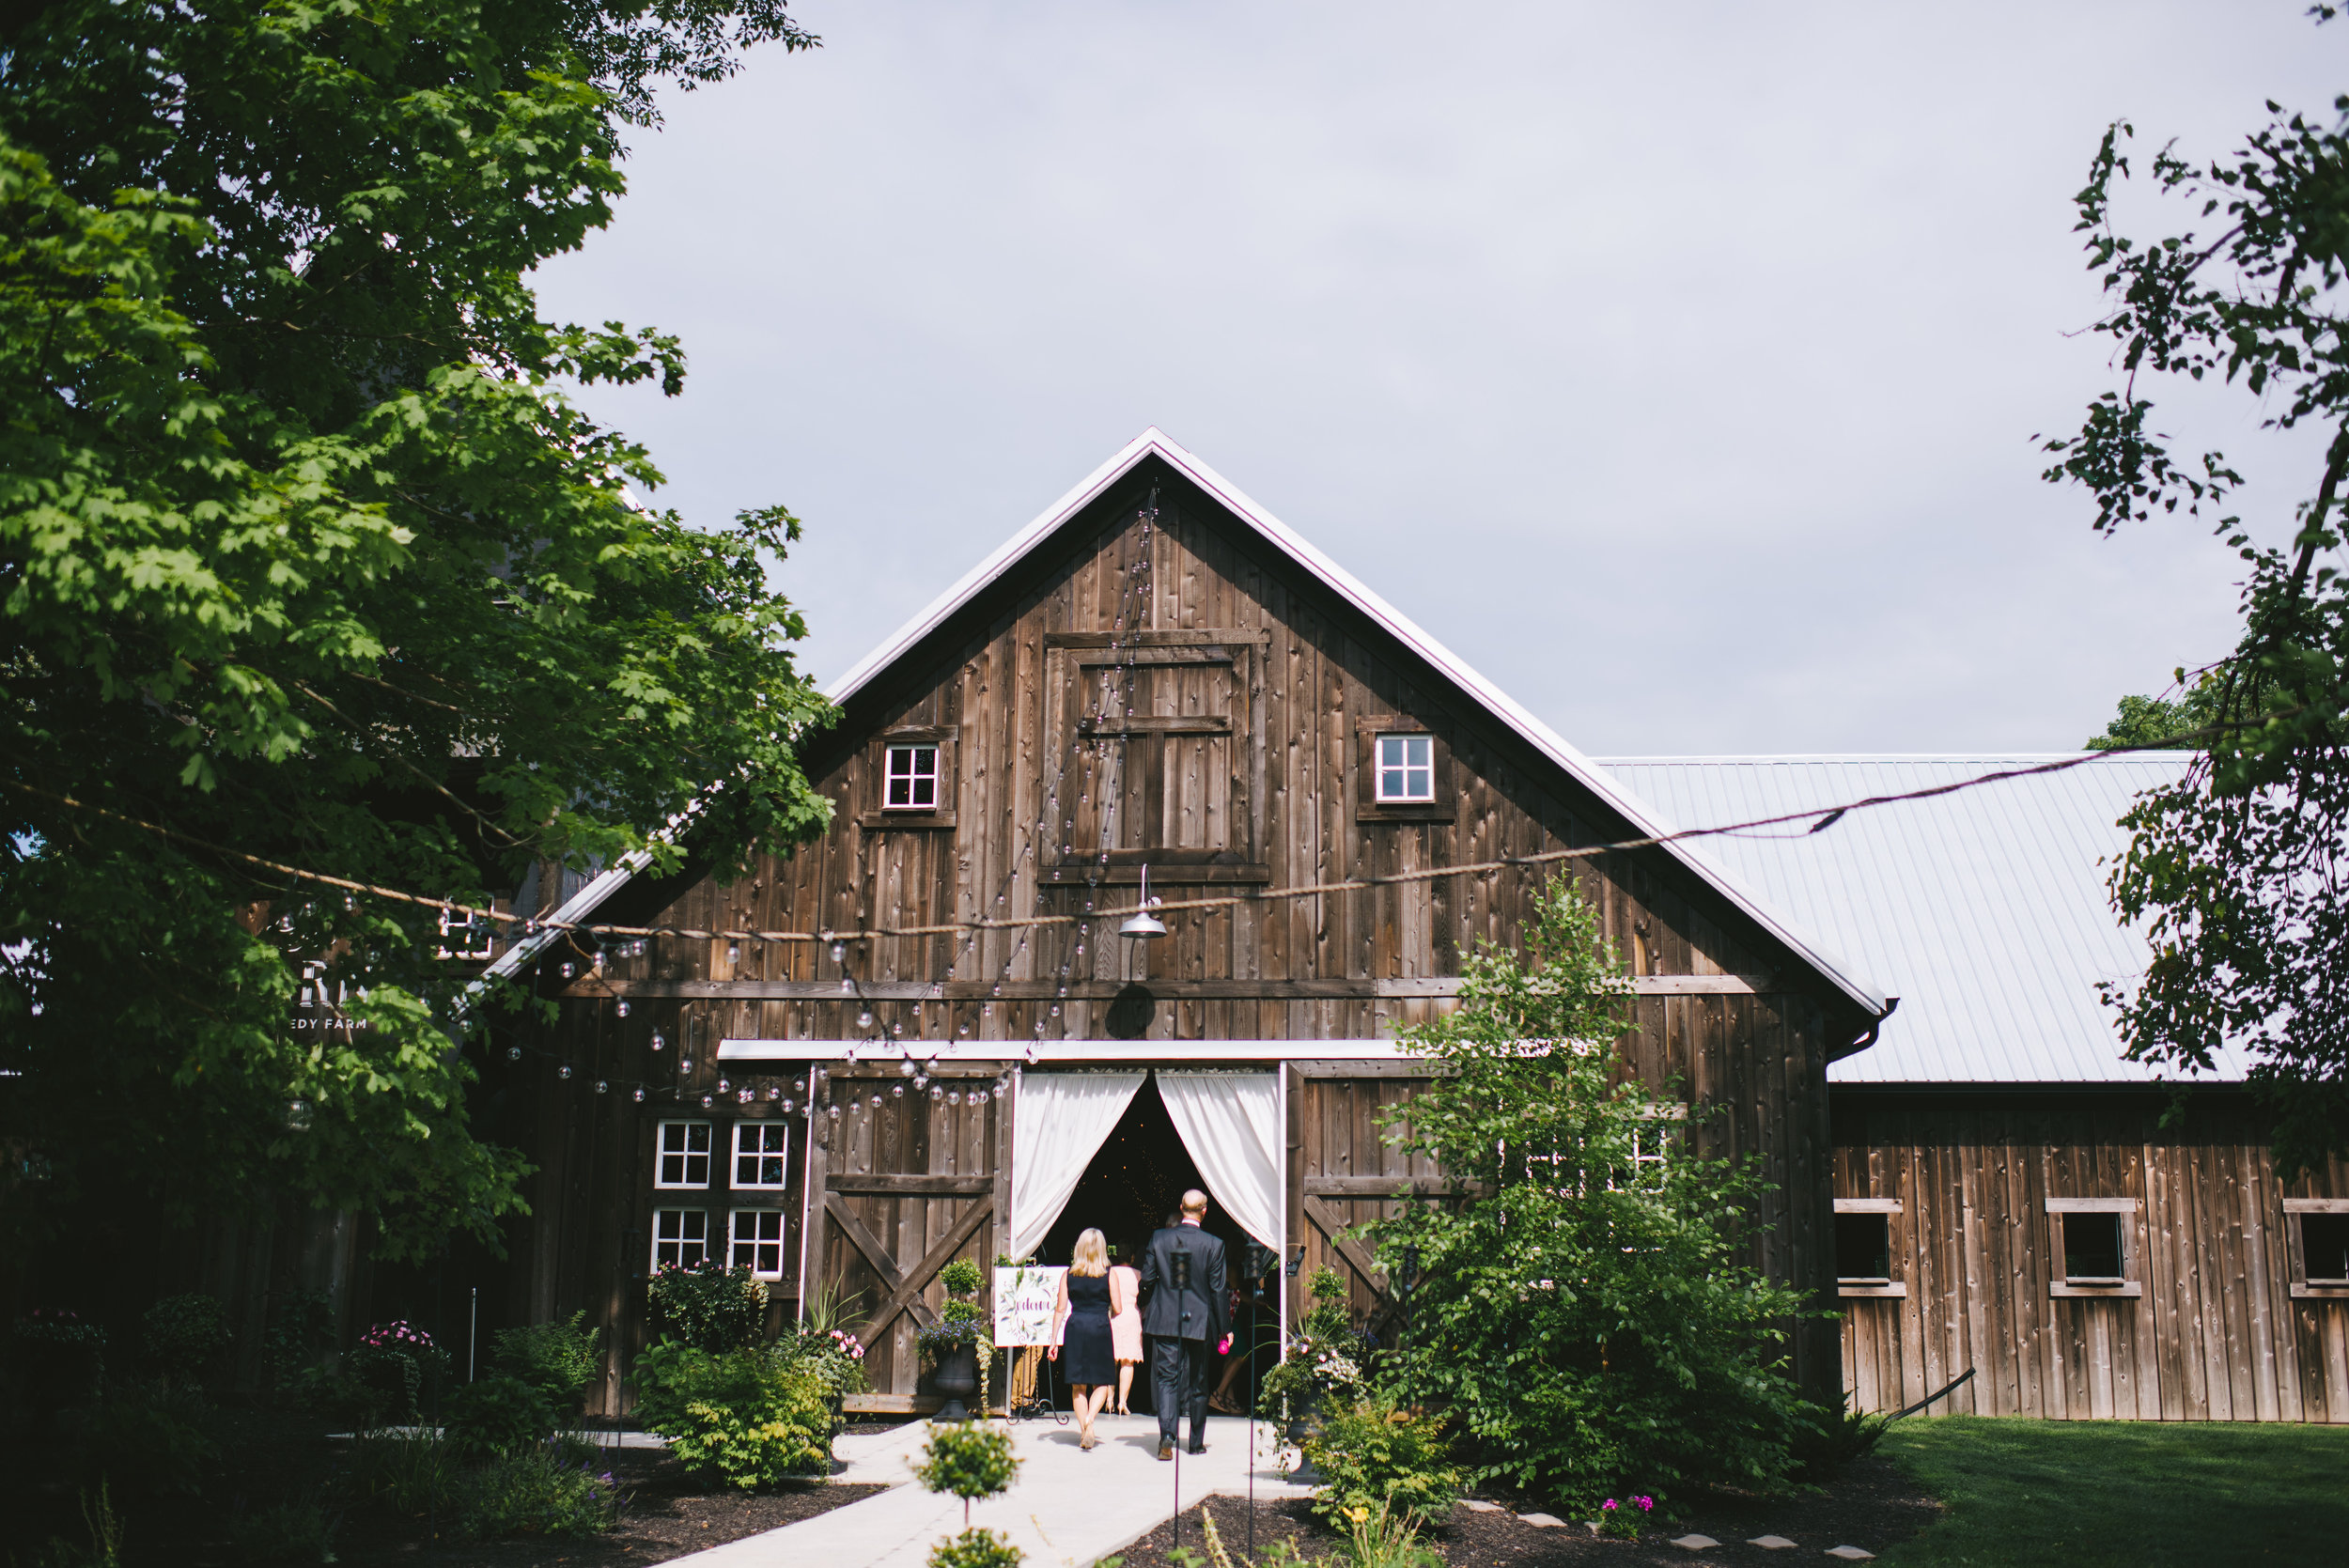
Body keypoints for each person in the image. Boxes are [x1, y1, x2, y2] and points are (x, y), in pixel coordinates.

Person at [1139, 1188, 1228, 1461]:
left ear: (1181, 1208)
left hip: (1165, 1319)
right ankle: (1196, 1443)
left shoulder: (1159, 1238)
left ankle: (1168, 1434)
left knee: (1167, 1379)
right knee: (1198, 1383)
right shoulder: (1214, 1245)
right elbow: (1218, 1291)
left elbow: (1148, 1279)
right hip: (1199, 1322)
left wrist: (1144, 1301)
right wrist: (1225, 1329)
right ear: (1205, 1210)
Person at [1049, 1228, 1117, 1451]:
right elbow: (1118, 1307)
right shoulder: (1109, 1274)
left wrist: (1052, 1341)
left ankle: (1084, 1428)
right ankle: (1089, 1421)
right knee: (1103, 1382)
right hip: (1099, 1326)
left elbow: (1060, 1309)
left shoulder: (1068, 1274)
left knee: (1078, 1385)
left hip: (1076, 1326)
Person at [1108, 1239, 1143, 1417]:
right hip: (1131, 1315)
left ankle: (1108, 1400)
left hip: (1113, 1315)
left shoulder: (1110, 1272)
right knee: (1127, 1362)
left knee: (1111, 1360)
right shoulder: (1139, 1274)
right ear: (1132, 1257)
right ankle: (1122, 1402)